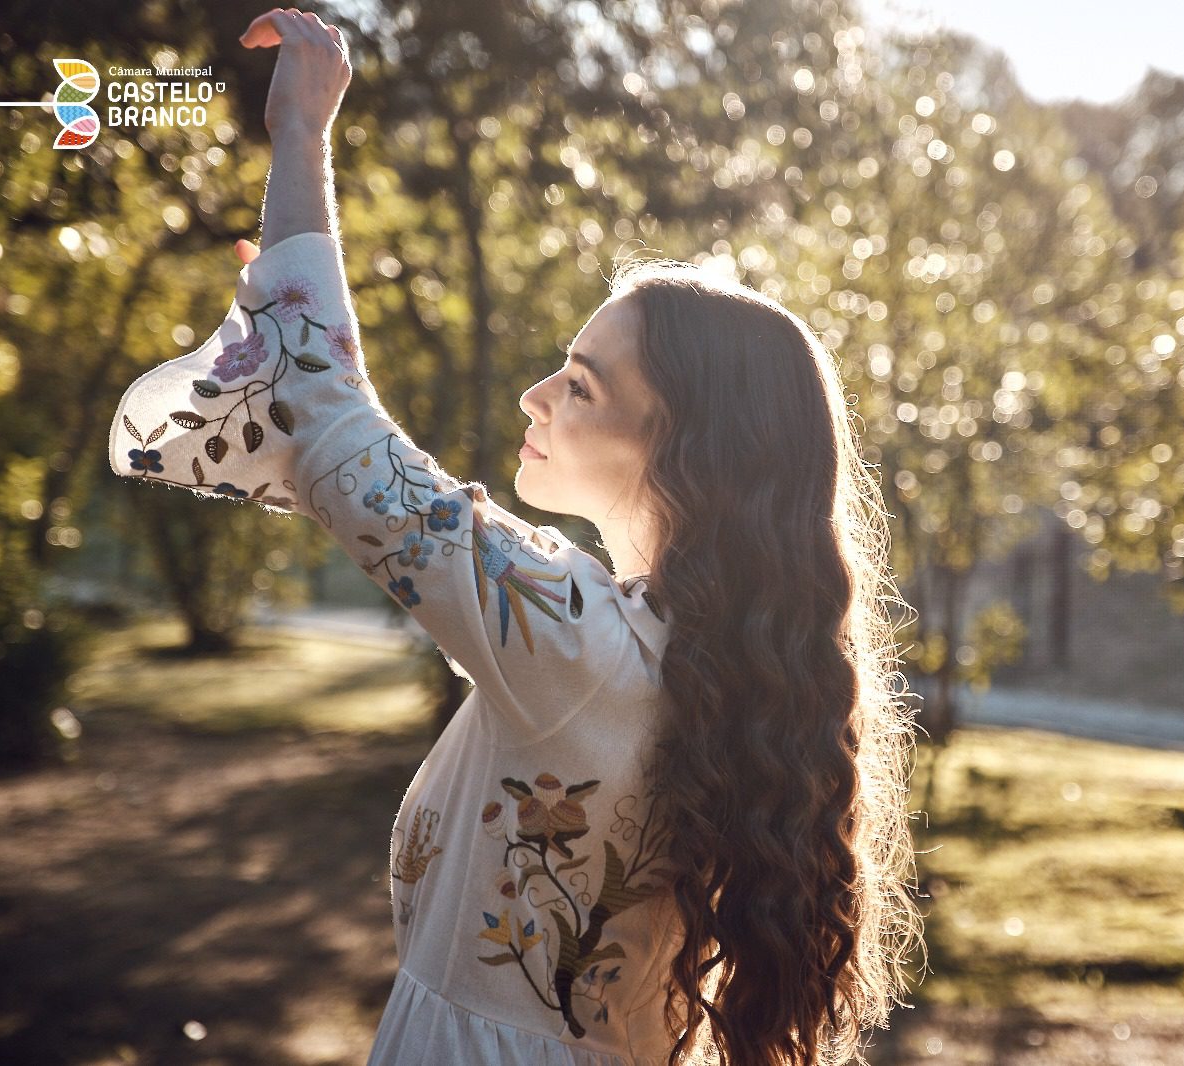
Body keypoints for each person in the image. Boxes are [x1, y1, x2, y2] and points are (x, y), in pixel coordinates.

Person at [107, 8, 924, 1065]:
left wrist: (303, 137)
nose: (537, 396)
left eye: (580, 384)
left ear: (684, 450)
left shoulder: (573, 639)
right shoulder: (695, 662)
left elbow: (321, 406)